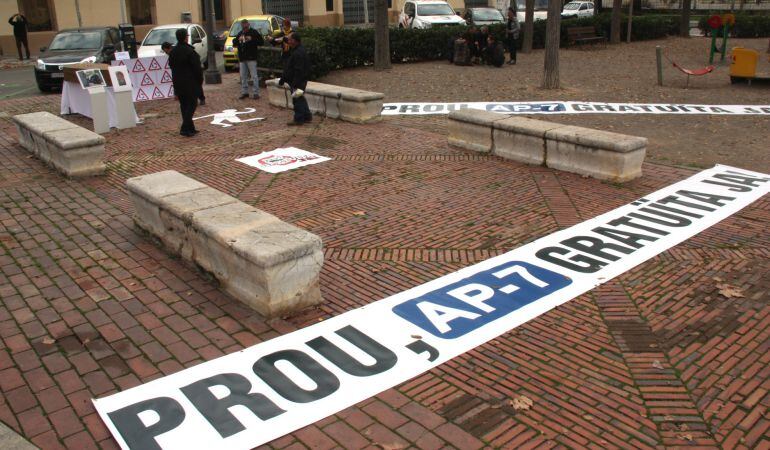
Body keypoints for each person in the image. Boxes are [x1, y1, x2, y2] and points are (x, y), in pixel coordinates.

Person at [169, 28, 203, 137]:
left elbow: (171, 66)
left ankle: (190, 128)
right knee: (192, 104)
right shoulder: (189, 51)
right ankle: (184, 127)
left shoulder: (173, 52)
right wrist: (199, 81)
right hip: (190, 82)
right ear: (185, 37)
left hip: (178, 82)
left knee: (184, 105)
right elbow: (197, 68)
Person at [279, 33, 312, 126]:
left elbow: (298, 69)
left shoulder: (298, 53)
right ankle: (307, 116)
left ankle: (299, 119)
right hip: (299, 80)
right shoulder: (298, 50)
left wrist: (295, 83)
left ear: (294, 41)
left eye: (289, 40)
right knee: (300, 98)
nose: (288, 41)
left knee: (297, 100)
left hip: (298, 81)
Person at [163, 41, 205, 105]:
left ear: (168, 48)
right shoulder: (175, 51)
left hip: (190, 70)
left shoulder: (176, 51)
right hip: (186, 72)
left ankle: (200, 98)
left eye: (166, 51)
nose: (166, 53)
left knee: (195, 85)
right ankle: (195, 99)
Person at [234, 19, 264, 100]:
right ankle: (245, 92)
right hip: (242, 58)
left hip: (251, 58)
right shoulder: (240, 33)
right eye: (243, 26)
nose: (244, 28)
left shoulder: (254, 32)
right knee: (243, 76)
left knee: (254, 76)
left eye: (246, 26)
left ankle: (256, 93)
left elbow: (261, 42)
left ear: (248, 24)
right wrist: (238, 39)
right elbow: (234, 43)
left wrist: (252, 39)